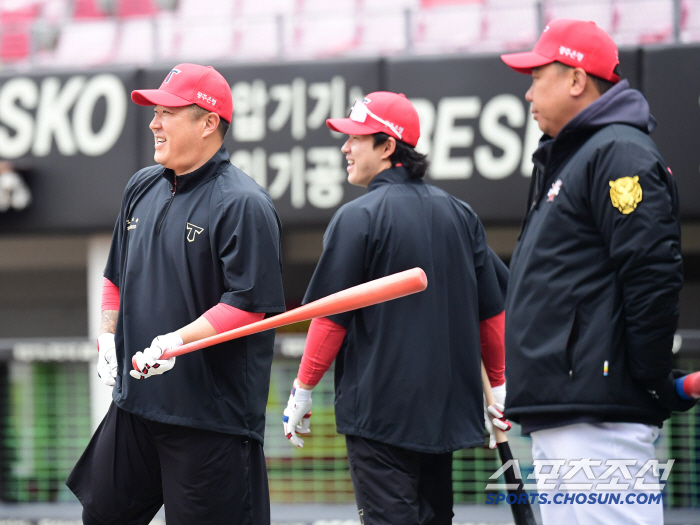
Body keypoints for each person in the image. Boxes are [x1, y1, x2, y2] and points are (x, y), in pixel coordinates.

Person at [66, 63, 285, 525]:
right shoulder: (140, 186)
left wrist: (177, 342)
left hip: (209, 420)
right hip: (134, 406)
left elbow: (249, 306)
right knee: (101, 516)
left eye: (167, 112)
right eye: (154, 112)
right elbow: (114, 276)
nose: (154, 123)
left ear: (209, 123)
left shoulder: (243, 202)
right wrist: (107, 336)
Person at [500, 18, 697, 525]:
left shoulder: (617, 152)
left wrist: (650, 376)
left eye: (536, 76)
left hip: (598, 410)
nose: (527, 94)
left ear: (574, 79)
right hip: (571, 406)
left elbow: (652, 273)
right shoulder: (577, 157)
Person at [282, 91, 510, 525]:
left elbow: (331, 318)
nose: (345, 148)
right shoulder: (460, 213)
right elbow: (492, 313)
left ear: (388, 147)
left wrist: (304, 388)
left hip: (380, 416)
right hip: (443, 416)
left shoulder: (358, 216)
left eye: (357, 138)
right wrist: (496, 386)